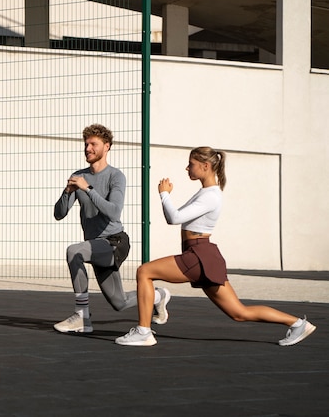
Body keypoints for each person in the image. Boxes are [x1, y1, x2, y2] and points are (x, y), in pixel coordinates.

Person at [115, 146, 317, 347]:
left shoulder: (211, 195)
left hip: (198, 254)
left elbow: (174, 218)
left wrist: (164, 194)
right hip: (202, 255)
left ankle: (144, 331)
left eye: (191, 164)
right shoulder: (205, 193)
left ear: (205, 166)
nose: (187, 168)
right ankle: (298, 324)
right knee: (239, 313)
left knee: (144, 272)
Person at [53, 124, 171, 333]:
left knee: (74, 251)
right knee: (120, 302)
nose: (88, 148)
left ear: (106, 147)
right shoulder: (78, 176)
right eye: (86, 144)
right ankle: (160, 295)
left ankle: (82, 316)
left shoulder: (116, 176)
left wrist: (87, 189)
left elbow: (114, 212)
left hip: (114, 242)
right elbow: (59, 214)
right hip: (95, 245)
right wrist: (67, 191)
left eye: (93, 144)